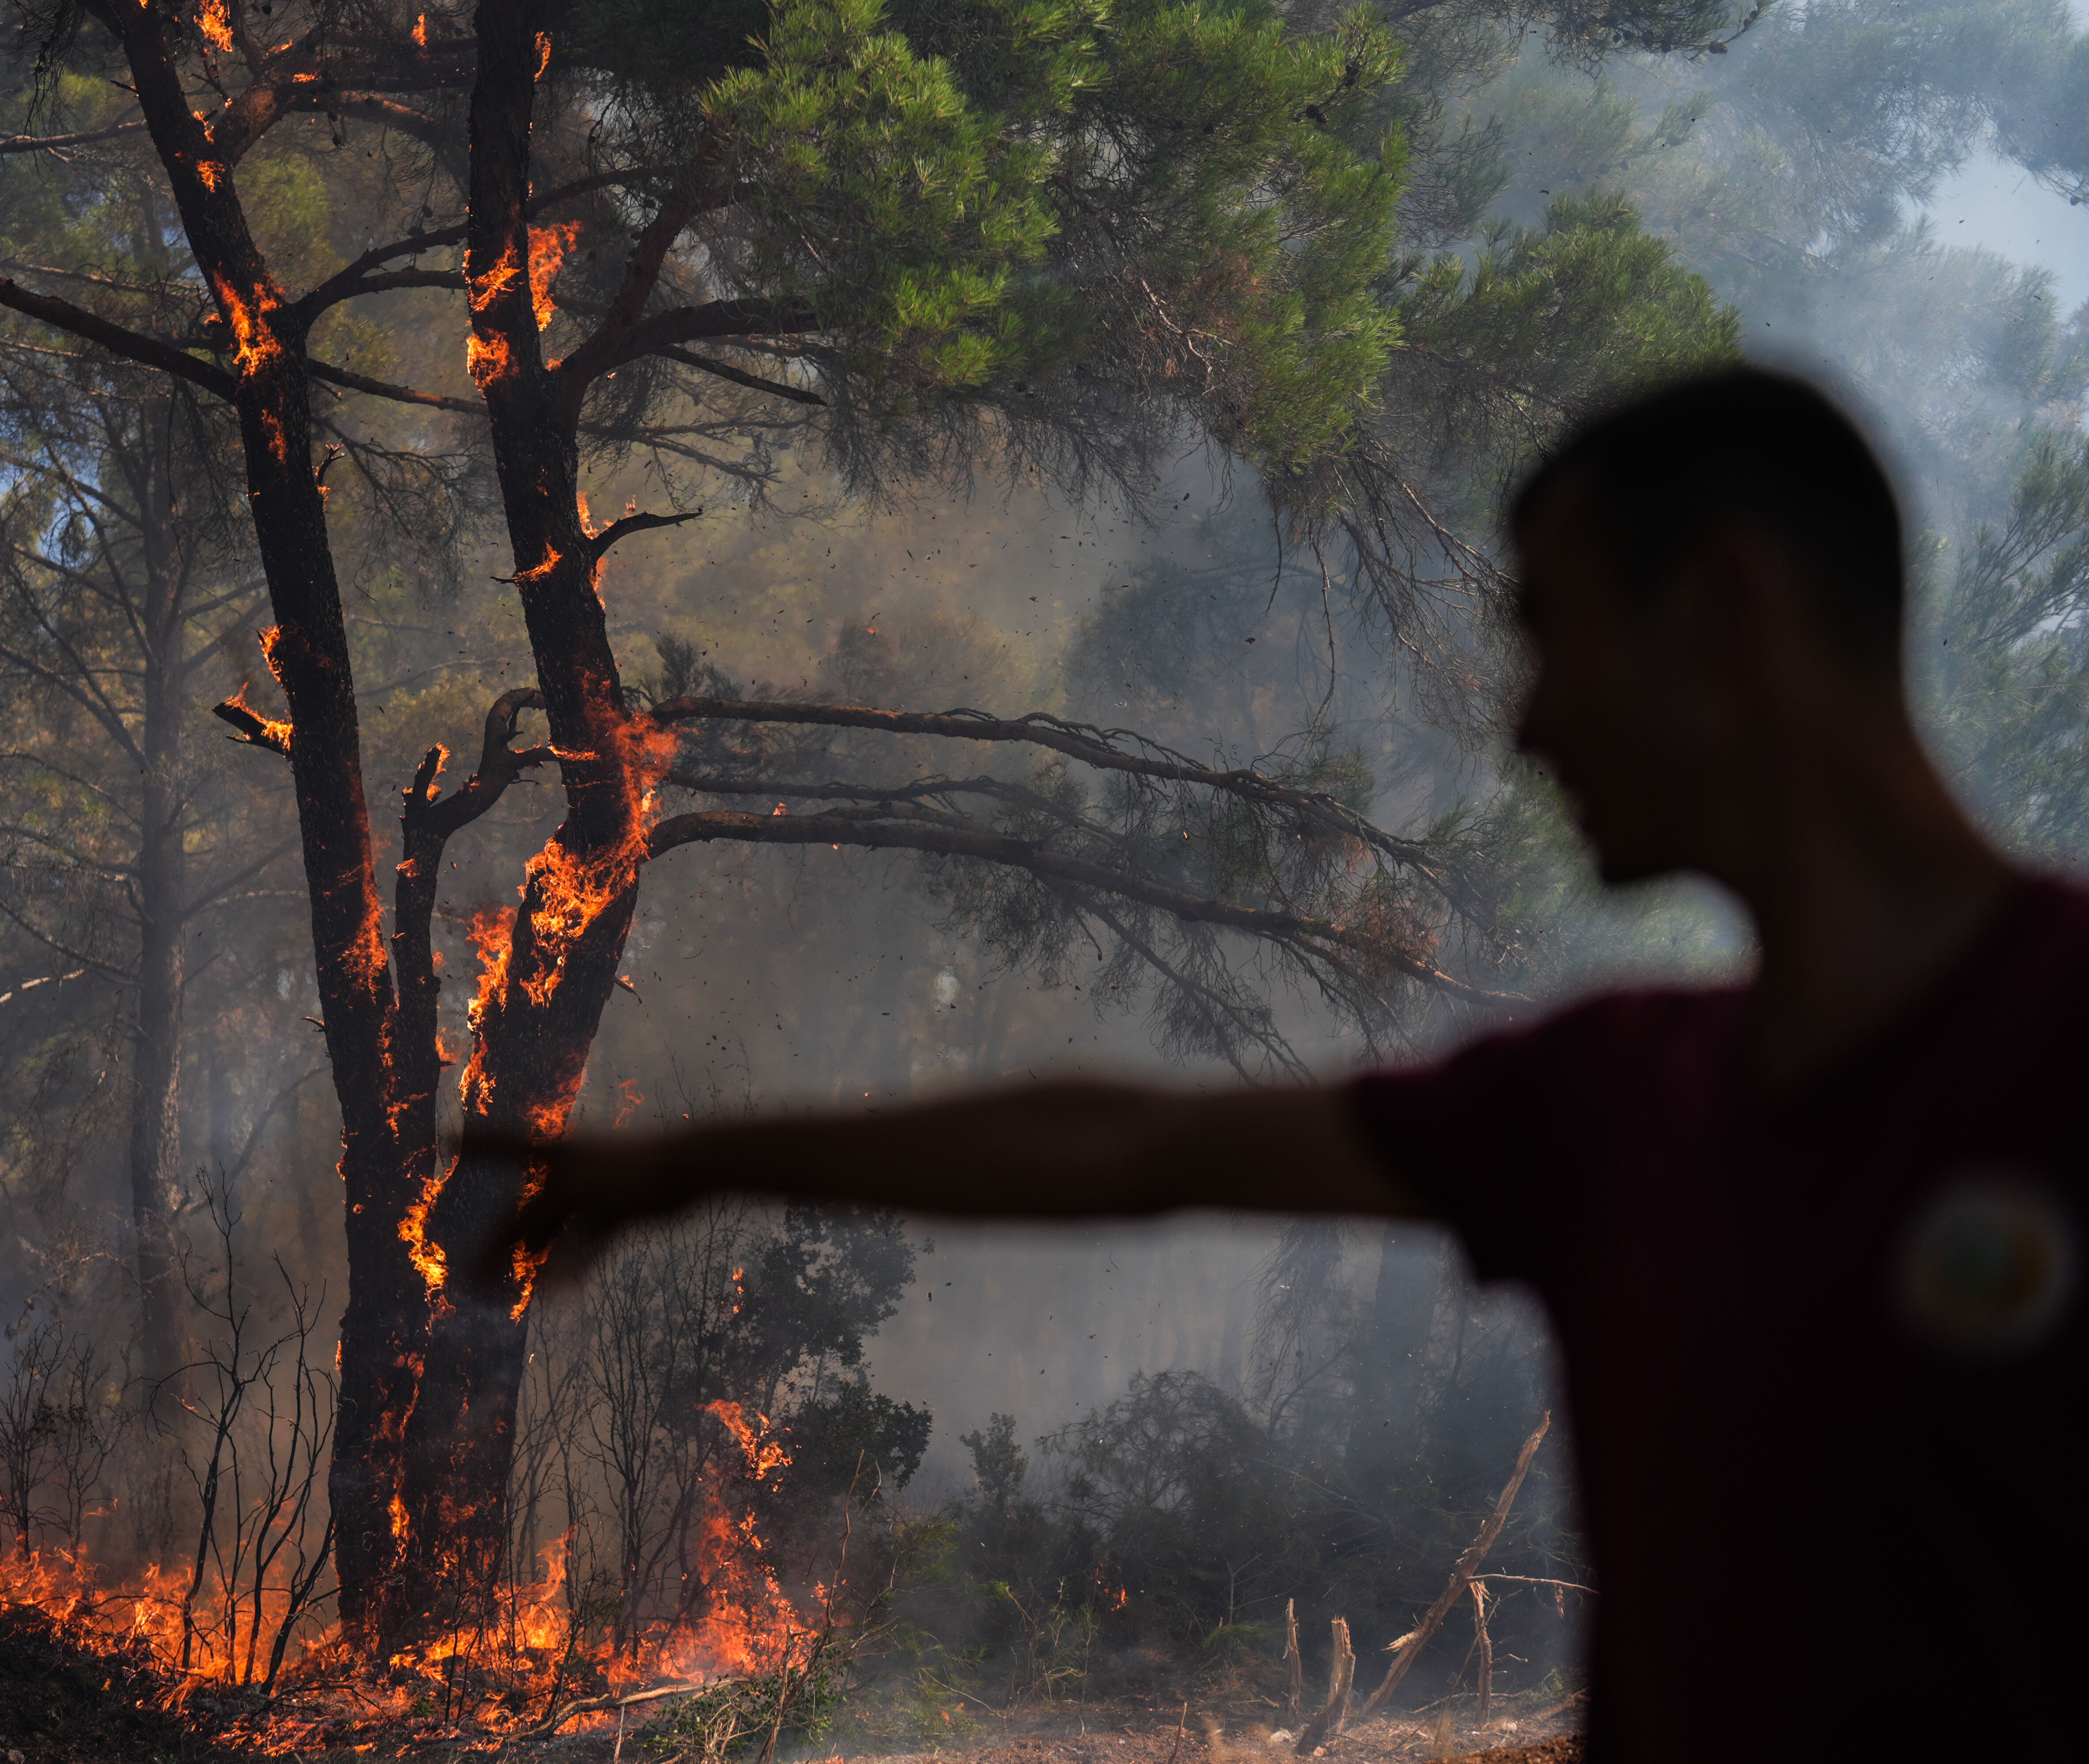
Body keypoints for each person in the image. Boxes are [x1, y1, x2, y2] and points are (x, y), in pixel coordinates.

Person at [483, 368, 2084, 1761]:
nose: (1526, 731)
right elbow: (1133, 1148)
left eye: (1556, 638)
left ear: (1727, 606)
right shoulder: (1614, 1100)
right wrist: (683, 1165)